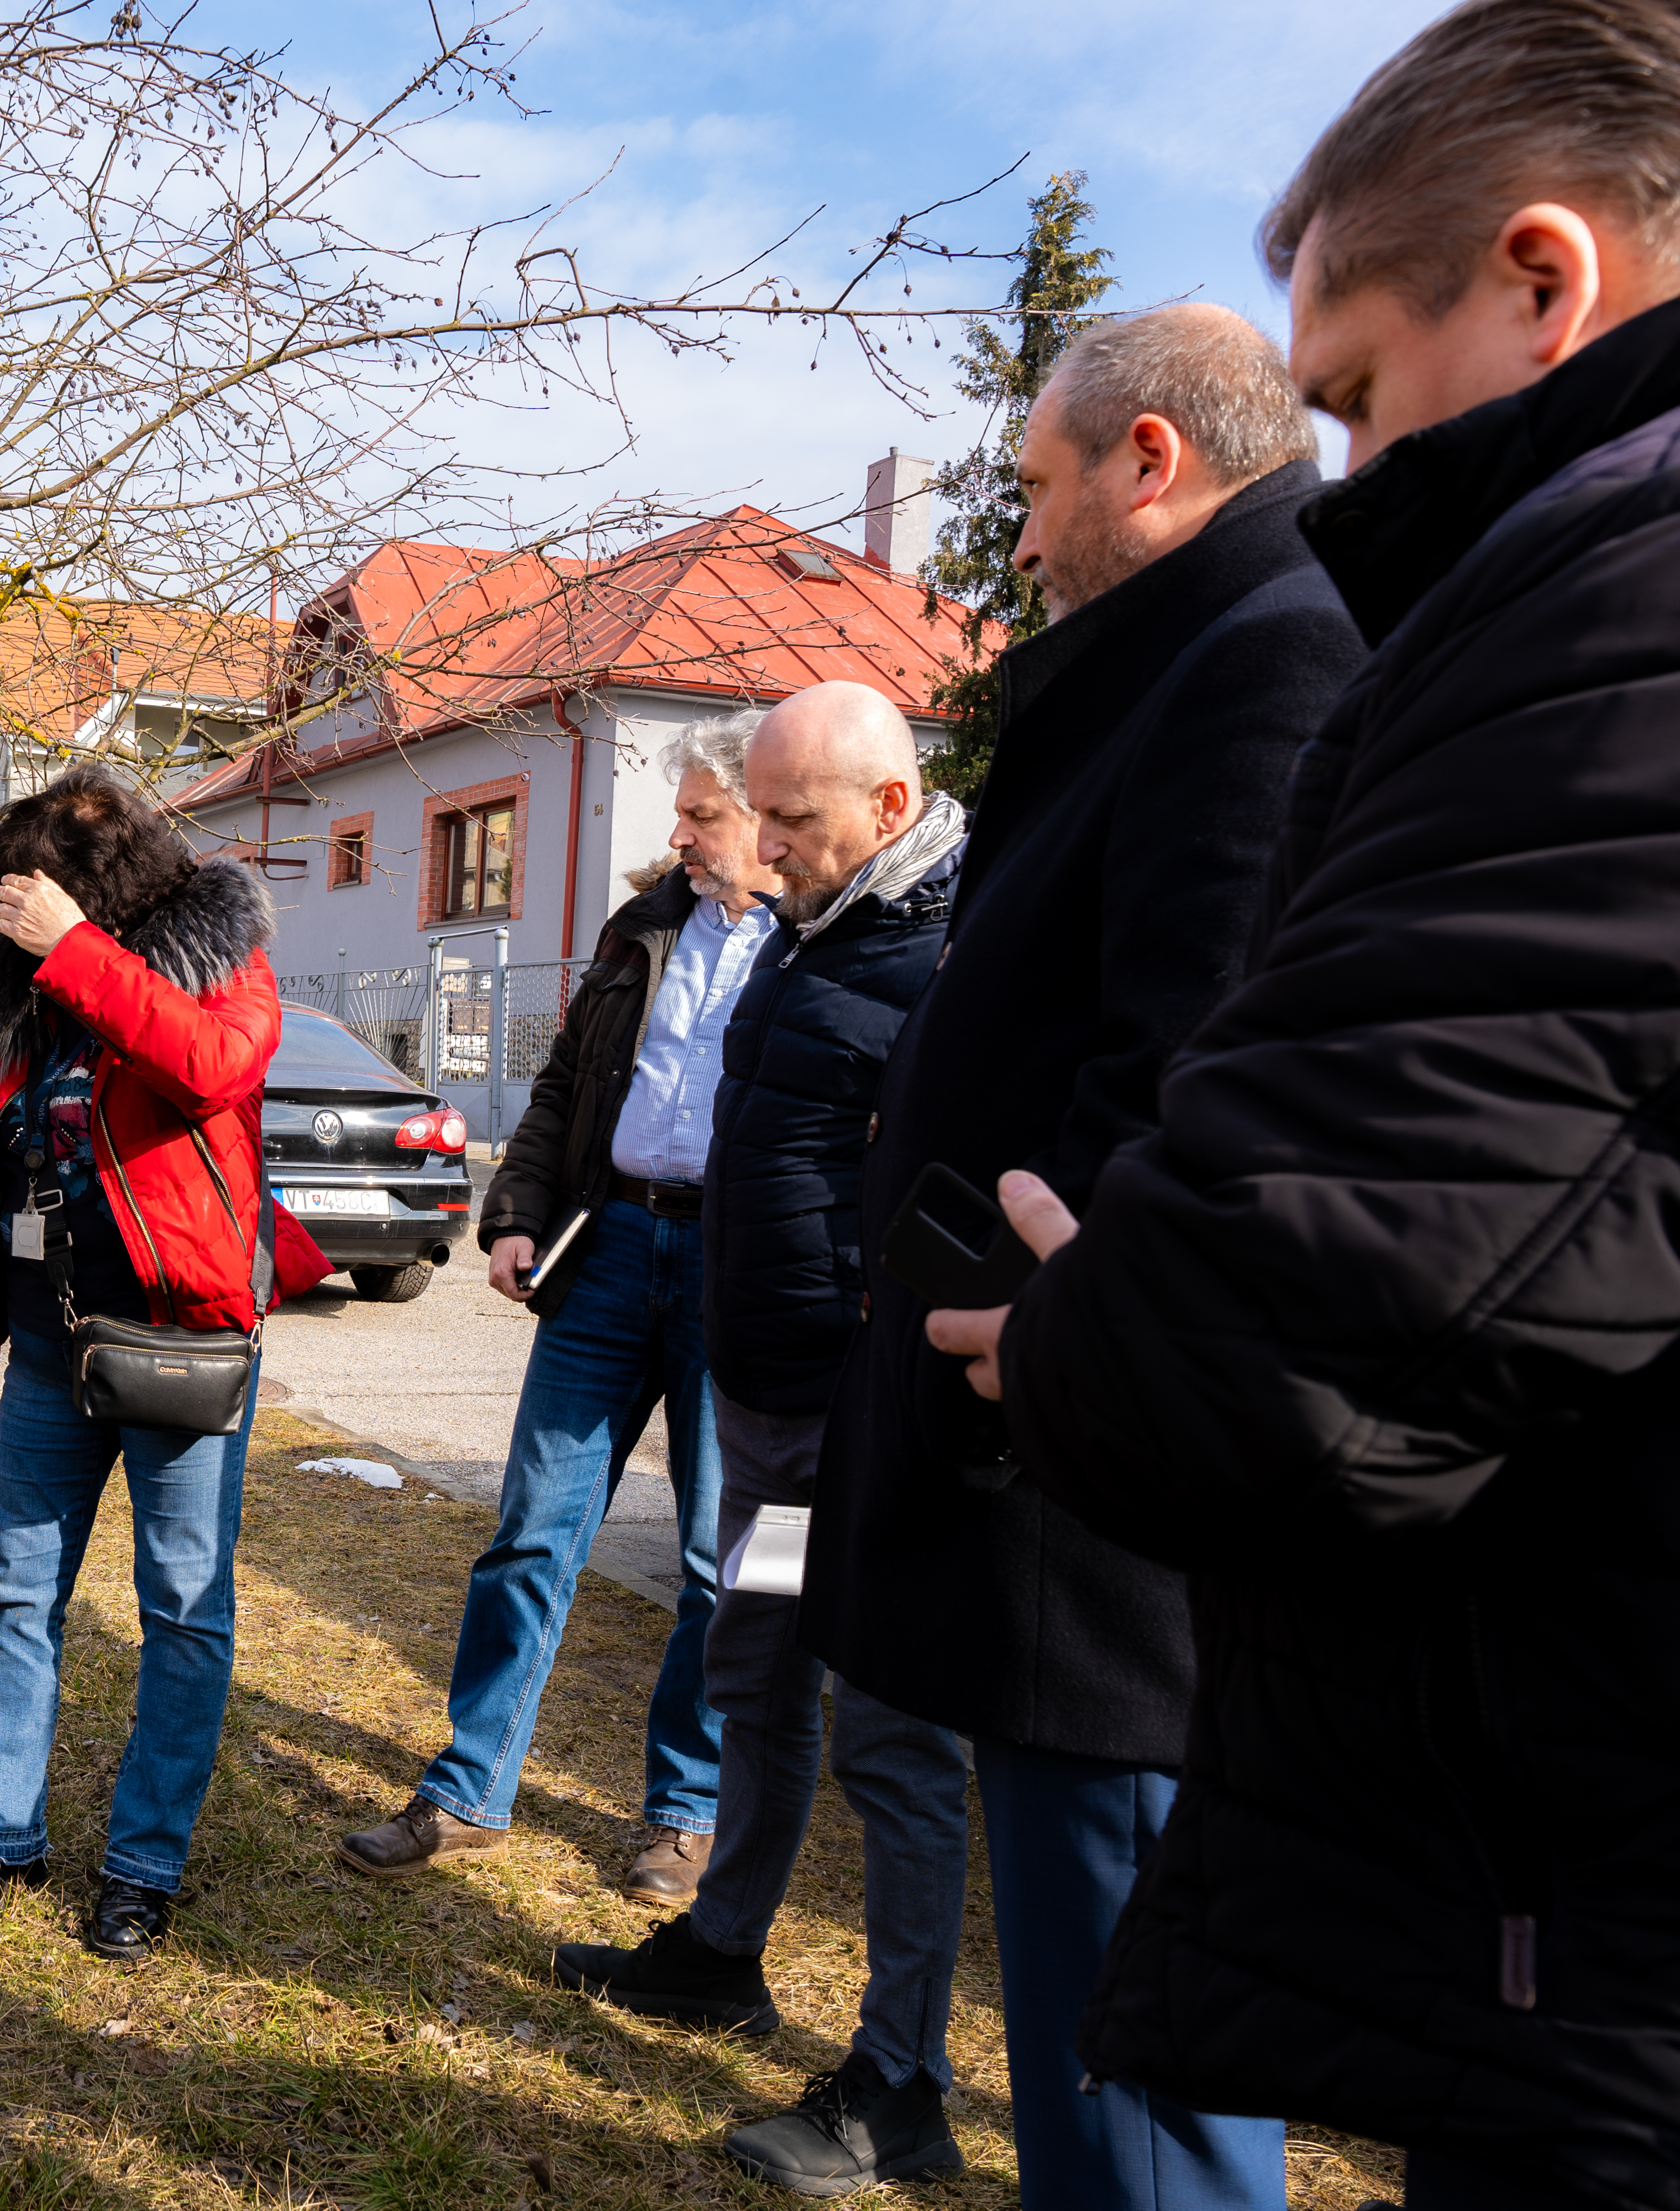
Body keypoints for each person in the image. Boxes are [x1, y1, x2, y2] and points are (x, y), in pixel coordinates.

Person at [932, 5, 1680, 2201]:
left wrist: (1107, 1318)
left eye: (1354, 393)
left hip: (1598, 1900)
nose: (1346, 479)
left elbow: (1337, 1276)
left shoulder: (1611, 600)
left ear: (1545, 280)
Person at [807, 303, 1366, 2211]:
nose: (1020, 546)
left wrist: (1031, 1340)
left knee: (1133, 2058)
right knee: (1092, 2037)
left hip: (1102, 1517)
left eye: (1039, 494)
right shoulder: (1198, 657)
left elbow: (1195, 1092)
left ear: (1155, 459)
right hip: (1062, 1457)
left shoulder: (1258, 665)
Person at [557, 684, 977, 2195]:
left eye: (794, 822)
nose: (771, 847)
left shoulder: (951, 949)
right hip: (776, 1412)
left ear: (887, 801)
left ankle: (904, 2081)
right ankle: (723, 1951)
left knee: (893, 1734)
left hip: (874, 1423)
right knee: (759, 1667)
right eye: (768, 817)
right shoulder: (821, 933)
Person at [333, 720, 767, 1900]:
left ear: (769, 814)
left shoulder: (820, 944)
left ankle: (685, 1810)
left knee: (721, 1564)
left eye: (701, 817)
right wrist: (516, 1206)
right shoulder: (645, 928)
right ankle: (470, 1787)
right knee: (533, 1525)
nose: (678, 837)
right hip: (614, 1247)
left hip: (740, 1273)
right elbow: (567, 1084)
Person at [0, 764, 329, 1963]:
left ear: (79, 884)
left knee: (183, 1612)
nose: (0, 913)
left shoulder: (222, 954)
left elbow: (211, 1069)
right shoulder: (21, 987)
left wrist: (72, 954)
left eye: (19, 891)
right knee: (15, 1595)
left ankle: (143, 1866)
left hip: (181, 1342)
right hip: (54, 1345)